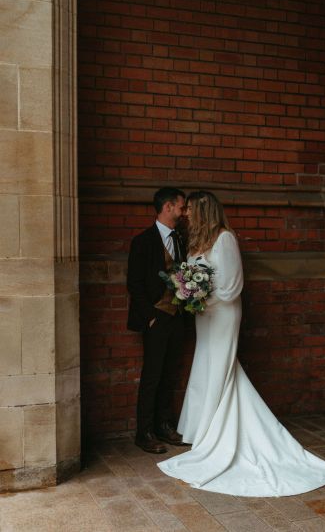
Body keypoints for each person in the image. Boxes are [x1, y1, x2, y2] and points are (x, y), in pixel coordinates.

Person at [158, 190, 325, 496]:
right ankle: (201, 429)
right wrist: (191, 295)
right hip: (204, 315)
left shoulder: (225, 238)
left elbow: (231, 286)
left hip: (223, 313)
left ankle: (216, 432)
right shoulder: (197, 241)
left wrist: (201, 296)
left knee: (221, 367)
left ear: (203, 211)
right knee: (207, 364)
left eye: (190, 209)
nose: (186, 214)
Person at [127, 186, 187, 454]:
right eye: (181, 207)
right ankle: (145, 432)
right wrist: (150, 317)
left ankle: (164, 425)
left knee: (170, 373)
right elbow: (134, 284)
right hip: (156, 318)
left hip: (178, 318)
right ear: (168, 208)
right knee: (152, 375)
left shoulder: (182, 239)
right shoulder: (142, 241)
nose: (183, 212)